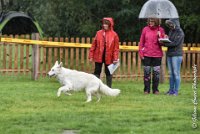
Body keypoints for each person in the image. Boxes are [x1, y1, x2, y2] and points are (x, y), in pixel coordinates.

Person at [89, 17, 119, 88]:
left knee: (108, 72)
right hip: (98, 56)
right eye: (104, 24)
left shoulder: (114, 35)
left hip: (109, 57)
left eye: (106, 24)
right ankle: (95, 87)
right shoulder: (98, 33)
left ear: (110, 25)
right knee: (97, 71)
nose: (104, 25)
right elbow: (93, 45)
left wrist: (115, 58)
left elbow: (116, 48)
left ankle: (109, 88)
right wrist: (91, 56)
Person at [139, 18, 165, 94]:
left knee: (156, 74)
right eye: (150, 21)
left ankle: (155, 90)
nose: (150, 22)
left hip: (157, 55)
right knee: (147, 73)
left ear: (156, 22)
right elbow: (141, 42)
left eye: (152, 21)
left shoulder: (161, 30)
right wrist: (141, 53)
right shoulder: (145, 29)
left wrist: (160, 36)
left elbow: (163, 44)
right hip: (146, 54)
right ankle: (146, 90)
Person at [162, 19, 184, 96]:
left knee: (176, 73)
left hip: (177, 54)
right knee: (171, 73)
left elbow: (175, 43)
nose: (170, 25)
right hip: (170, 54)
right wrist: (166, 38)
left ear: (175, 23)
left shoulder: (180, 32)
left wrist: (164, 44)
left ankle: (176, 91)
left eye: (171, 24)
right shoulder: (171, 31)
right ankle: (171, 90)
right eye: (169, 24)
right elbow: (170, 41)